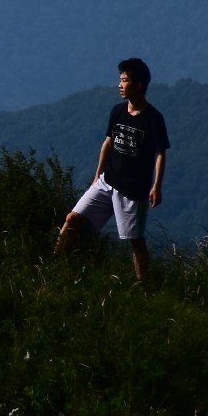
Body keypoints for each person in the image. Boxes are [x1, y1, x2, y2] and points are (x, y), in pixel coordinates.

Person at [55, 56, 169, 278]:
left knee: (135, 240)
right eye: (120, 80)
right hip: (107, 182)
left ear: (139, 85)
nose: (119, 85)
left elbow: (160, 153)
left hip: (133, 191)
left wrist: (157, 186)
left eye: (125, 80)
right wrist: (98, 173)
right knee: (72, 218)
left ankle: (143, 286)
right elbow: (108, 142)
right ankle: (53, 262)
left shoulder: (153, 119)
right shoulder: (117, 111)